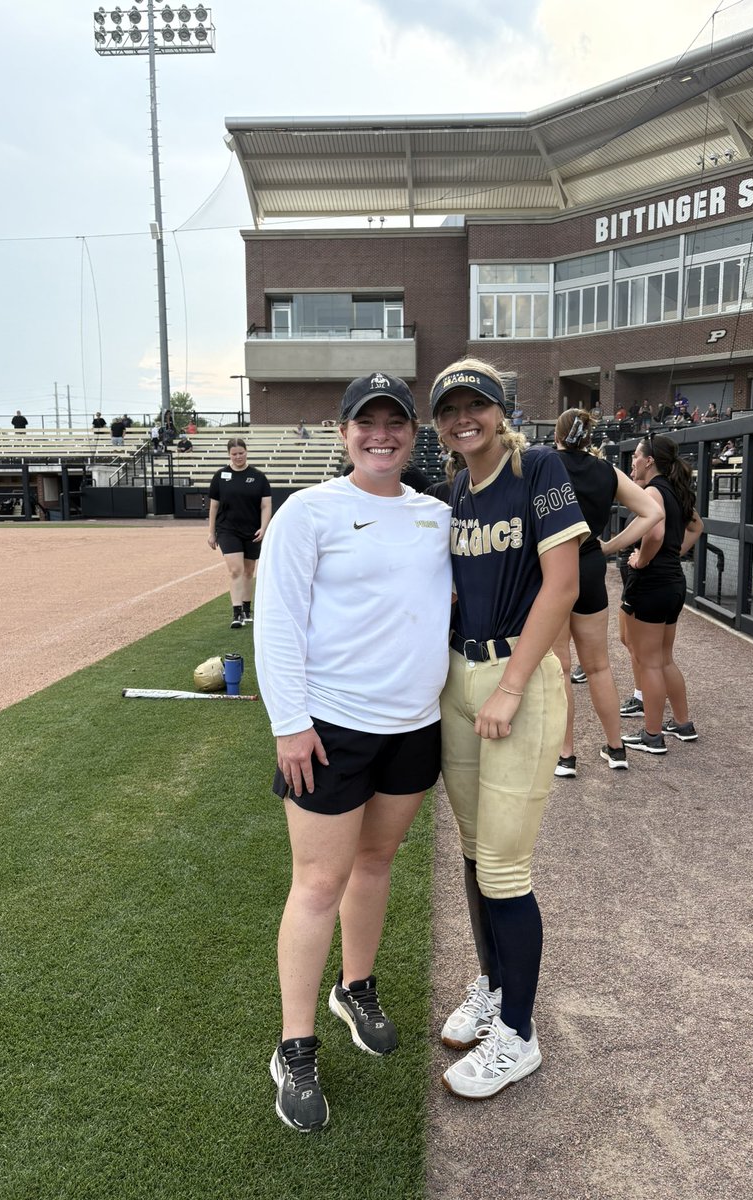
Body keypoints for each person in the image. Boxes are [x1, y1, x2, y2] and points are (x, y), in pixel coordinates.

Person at [254, 372, 452, 1133]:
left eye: (394, 422)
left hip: (415, 725)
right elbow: (277, 621)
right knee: (317, 883)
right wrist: (289, 722)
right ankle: (294, 1047)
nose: (381, 435)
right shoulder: (310, 511)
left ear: (412, 433)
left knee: (375, 864)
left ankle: (355, 987)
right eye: (366, 423)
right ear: (344, 434)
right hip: (330, 727)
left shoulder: (436, 515)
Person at [430, 357, 589, 1101]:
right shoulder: (458, 488)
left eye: (476, 405)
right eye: (449, 410)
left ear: (501, 410)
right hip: (460, 678)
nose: (464, 419)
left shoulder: (539, 467)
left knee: (502, 869)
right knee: (473, 855)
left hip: (514, 679)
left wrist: (513, 685)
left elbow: (563, 584)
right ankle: (495, 987)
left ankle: (518, 1036)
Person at [550, 409, 664, 778]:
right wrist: (610, 546)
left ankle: (566, 756)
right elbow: (652, 513)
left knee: (560, 667)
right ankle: (616, 748)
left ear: (558, 435)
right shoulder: (606, 471)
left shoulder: (544, 465)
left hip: (552, 570)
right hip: (589, 566)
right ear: (589, 437)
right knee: (598, 666)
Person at [618, 435, 704, 755]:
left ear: (650, 460)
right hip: (672, 582)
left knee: (650, 663)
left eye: (636, 456)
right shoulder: (675, 490)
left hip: (652, 583)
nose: (633, 461)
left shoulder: (654, 491)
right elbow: (696, 526)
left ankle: (652, 735)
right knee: (663, 658)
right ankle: (682, 724)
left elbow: (654, 532)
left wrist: (642, 560)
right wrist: (672, 553)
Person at [207, 437, 272, 628]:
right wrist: (211, 532)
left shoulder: (258, 477)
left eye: (241, 453)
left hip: (252, 530)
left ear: (246, 452)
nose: (238, 457)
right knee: (236, 570)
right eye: (234, 454)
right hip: (227, 529)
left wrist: (264, 527)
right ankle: (236, 614)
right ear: (229, 455)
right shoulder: (220, 476)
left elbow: (266, 505)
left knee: (249, 571)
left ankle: (246, 609)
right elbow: (213, 506)